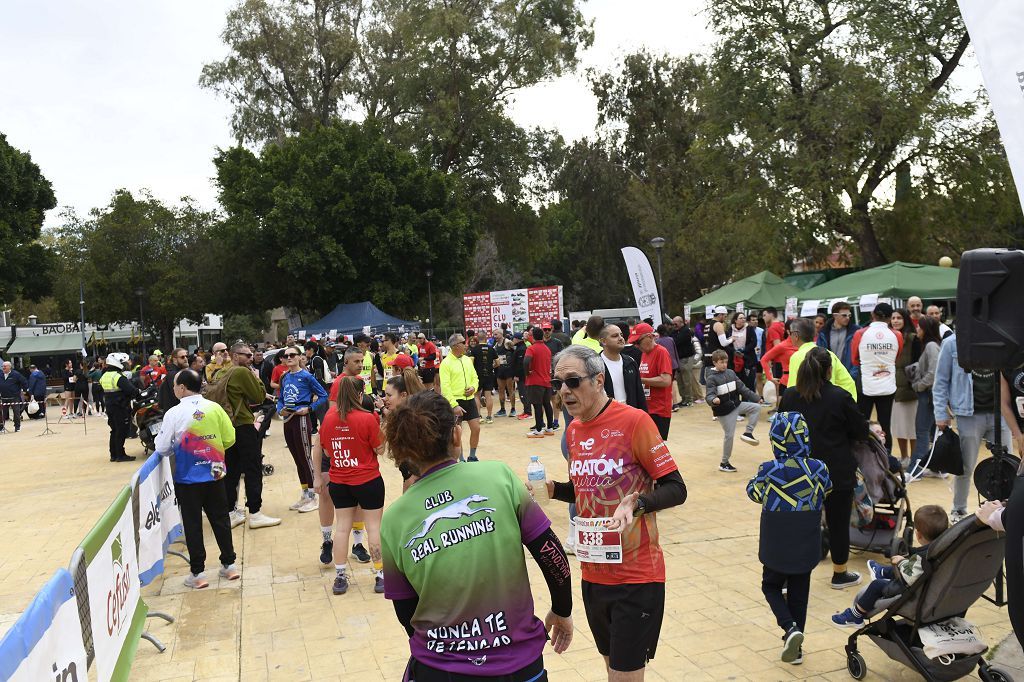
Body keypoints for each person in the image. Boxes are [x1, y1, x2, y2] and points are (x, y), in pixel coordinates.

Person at [380, 390, 573, 680]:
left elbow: (404, 608)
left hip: (441, 667)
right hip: (518, 660)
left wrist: (442, 647)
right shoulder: (499, 476)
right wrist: (562, 609)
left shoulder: (394, 518)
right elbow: (549, 552)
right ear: (456, 435)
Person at [544, 344, 686, 680]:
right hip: (594, 574)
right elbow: (586, 489)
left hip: (636, 576)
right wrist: (554, 490)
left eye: (573, 381)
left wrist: (637, 504)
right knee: (612, 670)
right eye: (558, 383)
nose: (564, 390)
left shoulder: (634, 421)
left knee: (624, 676)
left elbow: (676, 488)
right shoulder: (574, 430)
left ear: (598, 380)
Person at [780, 347, 869, 589]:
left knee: (799, 524)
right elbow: (861, 431)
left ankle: (789, 576)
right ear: (829, 370)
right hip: (835, 471)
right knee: (838, 523)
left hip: (799, 470)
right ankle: (840, 574)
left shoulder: (790, 396)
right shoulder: (840, 397)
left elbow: (781, 430)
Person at [747, 412, 832, 664]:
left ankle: (789, 627)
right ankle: (796, 649)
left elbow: (754, 493)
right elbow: (827, 490)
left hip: (777, 540)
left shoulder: (768, 470)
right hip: (806, 538)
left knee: (770, 585)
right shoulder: (819, 467)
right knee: (799, 593)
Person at [155, 369, 241, 588]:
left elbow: (162, 447)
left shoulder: (174, 413)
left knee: (193, 525)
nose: (174, 389)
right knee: (221, 520)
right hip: (215, 473)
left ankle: (198, 573)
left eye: (175, 385)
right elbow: (230, 438)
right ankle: (230, 565)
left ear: (182, 388)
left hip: (188, 478)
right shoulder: (215, 408)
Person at [313, 376, 386, 595]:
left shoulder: (328, 419)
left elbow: (327, 452)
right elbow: (380, 449)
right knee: (373, 528)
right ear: (360, 395)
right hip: (368, 480)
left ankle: (340, 577)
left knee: (342, 528)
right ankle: (380, 575)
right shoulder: (367, 418)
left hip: (340, 481)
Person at [932, 333, 1014, 523]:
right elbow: (941, 380)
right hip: (968, 413)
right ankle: (959, 509)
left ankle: (1004, 510)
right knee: (965, 466)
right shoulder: (952, 343)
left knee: (1007, 465)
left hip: (1001, 412)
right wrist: (940, 413)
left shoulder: (1001, 338)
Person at [831, 506, 949, 627]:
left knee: (876, 585)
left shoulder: (923, 558)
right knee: (904, 564)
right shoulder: (944, 549)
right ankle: (881, 571)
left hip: (913, 590)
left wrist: (901, 562)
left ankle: (856, 616)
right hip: (931, 584)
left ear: (918, 535)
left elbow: (910, 576)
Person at [219, 343, 281, 530]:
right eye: (246, 355)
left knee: (231, 471)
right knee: (253, 468)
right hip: (244, 425)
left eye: (251, 354)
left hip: (228, 427)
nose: (251, 358)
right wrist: (256, 377)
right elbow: (258, 396)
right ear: (235, 355)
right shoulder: (242, 372)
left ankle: (231, 512)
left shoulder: (222, 372)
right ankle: (255, 513)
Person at [277, 345, 329, 513]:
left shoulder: (307, 376)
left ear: (300, 357)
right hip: (288, 419)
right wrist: (279, 409)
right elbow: (281, 398)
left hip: (301, 418)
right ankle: (305, 493)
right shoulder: (284, 377)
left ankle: (314, 496)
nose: (289, 358)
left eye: (292, 355)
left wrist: (309, 409)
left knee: (305, 457)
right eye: (286, 355)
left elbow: (323, 395)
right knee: (297, 458)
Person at [850, 302, 901, 450]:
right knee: (885, 424)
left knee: (862, 423)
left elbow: (854, 359)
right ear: (890, 317)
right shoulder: (897, 335)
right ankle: (887, 458)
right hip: (888, 384)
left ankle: (863, 456)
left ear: (873, 315)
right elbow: (896, 358)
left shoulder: (860, 333)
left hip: (865, 383)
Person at [706, 349, 763, 472]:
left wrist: (756, 398)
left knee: (756, 408)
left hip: (736, 405)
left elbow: (743, 388)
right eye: (721, 362)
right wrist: (713, 400)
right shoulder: (711, 378)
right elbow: (709, 395)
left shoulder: (731, 373)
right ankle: (724, 463)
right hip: (724, 411)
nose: (724, 365)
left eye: (726, 362)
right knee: (729, 436)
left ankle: (748, 433)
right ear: (714, 363)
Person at [788, 317, 857, 400]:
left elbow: (793, 388)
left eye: (790, 333)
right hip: (830, 402)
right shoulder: (829, 353)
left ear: (796, 335)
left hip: (808, 404)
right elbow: (847, 382)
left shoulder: (797, 356)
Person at [439, 333, 482, 461]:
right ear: (455, 346)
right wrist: (454, 405)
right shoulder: (446, 363)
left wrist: (473, 388)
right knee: (457, 433)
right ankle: (461, 459)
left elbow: (475, 377)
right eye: (463, 342)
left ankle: (472, 456)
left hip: (469, 399)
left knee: (476, 428)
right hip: (455, 401)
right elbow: (445, 387)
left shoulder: (467, 359)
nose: (466, 344)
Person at [908, 317, 943, 473]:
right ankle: (938, 468)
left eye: (919, 327)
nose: (917, 330)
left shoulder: (931, 346)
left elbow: (934, 372)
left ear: (926, 329)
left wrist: (919, 385)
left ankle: (916, 470)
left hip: (928, 394)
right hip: (930, 394)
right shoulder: (931, 345)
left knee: (922, 431)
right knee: (933, 432)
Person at [631, 323, 674, 439]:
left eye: (638, 342)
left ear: (650, 337)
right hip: (647, 408)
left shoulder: (661, 352)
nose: (636, 346)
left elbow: (666, 380)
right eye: (634, 343)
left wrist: (639, 380)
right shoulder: (644, 354)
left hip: (659, 410)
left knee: (656, 446)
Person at [888, 308, 920, 465]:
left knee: (912, 427)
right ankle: (904, 457)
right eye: (893, 318)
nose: (895, 321)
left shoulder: (914, 339)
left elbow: (917, 364)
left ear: (905, 320)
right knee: (899, 426)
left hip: (910, 389)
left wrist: (912, 384)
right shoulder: (888, 338)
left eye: (899, 318)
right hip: (892, 388)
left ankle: (913, 458)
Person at [99, 353, 139, 462]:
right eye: (122, 362)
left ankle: (113, 455)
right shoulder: (118, 376)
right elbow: (131, 390)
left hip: (109, 406)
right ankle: (120, 455)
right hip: (120, 407)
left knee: (114, 430)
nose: (125, 364)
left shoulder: (104, 375)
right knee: (121, 430)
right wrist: (138, 391)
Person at [600, 324, 647, 411]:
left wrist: (644, 415)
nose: (621, 338)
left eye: (621, 335)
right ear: (603, 341)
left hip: (630, 413)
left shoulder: (630, 362)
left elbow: (639, 394)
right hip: (607, 415)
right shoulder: (594, 365)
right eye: (615, 336)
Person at [524, 326, 555, 438]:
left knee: (537, 405)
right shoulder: (547, 349)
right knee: (547, 404)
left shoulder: (531, 348)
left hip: (535, 381)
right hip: (547, 380)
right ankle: (550, 428)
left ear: (532, 336)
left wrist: (527, 373)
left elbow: (526, 361)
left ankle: (538, 430)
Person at [816, 301, 860, 376]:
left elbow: (859, 355)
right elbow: (819, 355)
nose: (847, 318)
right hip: (830, 375)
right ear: (835, 315)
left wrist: (853, 374)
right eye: (844, 315)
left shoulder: (855, 331)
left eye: (849, 315)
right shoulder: (824, 332)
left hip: (849, 375)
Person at [760, 320, 797, 403]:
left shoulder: (804, 344)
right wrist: (770, 378)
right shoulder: (783, 345)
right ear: (788, 331)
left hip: (803, 381)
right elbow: (764, 360)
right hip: (787, 381)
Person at [671, 316, 701, 407]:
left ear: (681, 322)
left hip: (687, 359)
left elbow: (676, 341)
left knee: (687, 380)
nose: (674, 325)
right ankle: (683, 399)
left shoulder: (686, 331)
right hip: (678, 359)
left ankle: (689, 400)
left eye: (675, 323)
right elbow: (672, 339)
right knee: (679, 380)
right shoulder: (675, 331)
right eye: (673, 323)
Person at [467, 333, 498, 424]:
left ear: (478, 338)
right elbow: (498, 363)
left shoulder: (474, 349)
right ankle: (489, 416)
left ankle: (479, 416)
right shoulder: (491, 348)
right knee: (488, 396)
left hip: (477, 375)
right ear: (486, 338)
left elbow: (470, 363)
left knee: (477, 396)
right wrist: (491, 367)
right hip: (489, 374)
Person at [729, 312, 758, 391]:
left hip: (747, 358)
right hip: (734, 359)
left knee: (749, 383)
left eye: (744, 318)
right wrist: (734, 351)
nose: (743, 320)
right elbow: (727, 343)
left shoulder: (749, 328)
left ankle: (749, 397)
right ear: (735, 320)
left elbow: (754, 342)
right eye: (741, 318)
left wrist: (743, 350)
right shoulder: (730, 329)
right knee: (736, 383)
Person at [158, 348, 191, 412]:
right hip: (176, 412)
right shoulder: (174, 374)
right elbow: (179, 395)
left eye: (187, 356)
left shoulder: (178, 372)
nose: (186, 359)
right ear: (175, 359)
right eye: (182, 357)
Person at [0, 361, 28, 432]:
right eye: (3, 366)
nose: (3, 367)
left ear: (9, 367)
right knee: (2, 413)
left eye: (5, 366)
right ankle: (1, 427)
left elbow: (24, 381)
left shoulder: (16, 374)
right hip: (3, 397)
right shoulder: (0, 374)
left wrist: (25, 391)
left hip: (14, 397)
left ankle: (17, 427)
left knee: (16, 413)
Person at [494, 333, 517, 417]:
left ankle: (513, 409)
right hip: (500, 370)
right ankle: (502, 409)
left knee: (510, 389)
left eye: (496, 334)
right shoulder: (495, 345)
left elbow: (515, 350)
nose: (495, 336)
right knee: (500, 389)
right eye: (494, 335)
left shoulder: (507, 342)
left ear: (501, 334)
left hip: (509, 370)